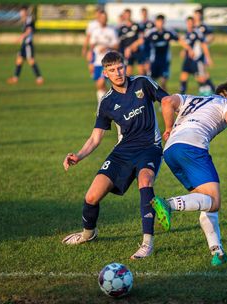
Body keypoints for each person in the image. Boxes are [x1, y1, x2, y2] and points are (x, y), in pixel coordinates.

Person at [62, 51, 168, 260]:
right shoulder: (106, 102)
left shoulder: (142, 83)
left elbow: (168, 100)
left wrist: (172, 126)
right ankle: (88, 234)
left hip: (150, 147)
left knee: (145, 181)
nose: (118, 73)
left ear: (125, 67)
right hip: (123, 151)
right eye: (112, 70)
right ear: (105, 73)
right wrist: (79, 156)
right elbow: (95, 138)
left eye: (120, 68)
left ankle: (147, 243)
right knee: (92, 196)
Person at [152, 78, 227, 266]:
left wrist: (168, 128)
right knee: (213, 201)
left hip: (171, 150)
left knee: (205, 201)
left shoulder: (191, 98)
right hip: (193, 147)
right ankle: (168, 204)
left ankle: (218, 253)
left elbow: (166, 102)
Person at [126, 15, 193, 91]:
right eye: (158, 22)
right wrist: (130, 48)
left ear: (164, 22)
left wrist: (189, 49)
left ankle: (164, 99)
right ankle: (148, 99)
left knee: (163, 82)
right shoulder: (151, 32)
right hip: (153, 61)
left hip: (165, 61)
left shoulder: (168, 32)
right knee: (150, 82)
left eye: (162, 22)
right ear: (156, 22)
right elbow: (141, 40)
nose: (160, 23)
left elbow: (180, 40)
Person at [7, 6, 44, 85]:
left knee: (31, 61)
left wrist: (20, 38)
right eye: (20, 12)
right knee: (19, 60)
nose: (21, 13)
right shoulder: (24, 20)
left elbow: (29, 30)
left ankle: (39, 78)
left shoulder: (29, 19)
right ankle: (15, 78)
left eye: (23, 12)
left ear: (26, 12)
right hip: (24, 44)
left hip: (28, 44)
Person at [89, 10, 119, 102]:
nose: (103, 20)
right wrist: (90, 58)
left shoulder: (111, 31)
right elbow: (92, 46)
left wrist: (107, 46)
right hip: (97, 62)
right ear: (99, 19)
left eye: (105, 18)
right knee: (99, 86)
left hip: (107, 62)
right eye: (101, 18)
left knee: (100, 83)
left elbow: (116, 46)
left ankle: (104, 104)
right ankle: (106, 104)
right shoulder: (95, 31)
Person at [179, 17, 213, 95]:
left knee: (201, 78)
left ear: (194, 23)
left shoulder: (197, 32)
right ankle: (182, 96)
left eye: (191, 23)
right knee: (183, 76)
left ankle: (213, 91)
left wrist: (208, 58)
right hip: (188, 59)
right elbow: (188, 44)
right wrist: (184, 51)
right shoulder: (187, 33)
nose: (189, 24)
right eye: (188, 23)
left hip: (196, 59)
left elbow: (204, 45)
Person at [193, 9, 216, 95]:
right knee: (197, 74)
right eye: (196, 15)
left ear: (201, 16)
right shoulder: (192, 26)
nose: (197, 17)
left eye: (198, 15)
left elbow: (212, 36)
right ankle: (205, 89)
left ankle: (211, 89)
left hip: (201, 53)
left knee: (202, 73)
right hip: (193, 54)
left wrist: (205, 42)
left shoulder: (203, 27)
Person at [118, 9, 144, 76]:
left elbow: (141, 40)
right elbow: (120, 42)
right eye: (126, 15)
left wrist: (131, 47)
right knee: (128, 74)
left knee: (142, 72)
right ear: (124, 15)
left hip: (137, 51)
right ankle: (130, 86)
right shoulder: (121, 28)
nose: (127, 16)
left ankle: (142, 86)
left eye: (129, 14)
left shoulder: (136, 25)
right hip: (127, 53)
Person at [83, 8, 102, 78]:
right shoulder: (92, 24)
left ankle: (101, 80)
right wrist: (85, 48)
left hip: (102, 49)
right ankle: (97, 80)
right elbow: (88, 36)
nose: (98, 15)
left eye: (99, 14)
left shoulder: (104, 24)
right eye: (97, 14)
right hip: (93, 48)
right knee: (91, 66)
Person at [138, 7, 155, 76]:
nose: (144, 15)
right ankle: (143, 84)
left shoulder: (151, 24)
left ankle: (149, 82)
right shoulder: (139, 24)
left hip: (149, 47)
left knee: (148, 66)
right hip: (141, 48)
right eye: (143, 13)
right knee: (141, 69)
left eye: (145, 13)